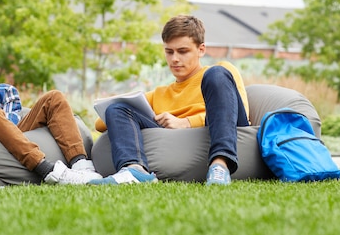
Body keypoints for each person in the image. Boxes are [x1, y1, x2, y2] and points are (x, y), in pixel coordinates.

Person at [89, 14, 250, 186]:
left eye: (183, 51)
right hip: (175, 142)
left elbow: (239, 114)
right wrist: (146, 113)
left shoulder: (221, 72)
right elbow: (100, 123)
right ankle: (135, 170)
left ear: (201, 50)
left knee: (215, 74)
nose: (174, 59)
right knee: (118, 109)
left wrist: (186, 122)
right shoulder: (159, 93)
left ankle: (220, 166)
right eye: (169, 51)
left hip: (226, 135)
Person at [0, 17, 101, 185]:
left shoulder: (6, 91)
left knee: (54, 97)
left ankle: (81, 166)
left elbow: (12, 126)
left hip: (4, 138)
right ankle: (47, 170)